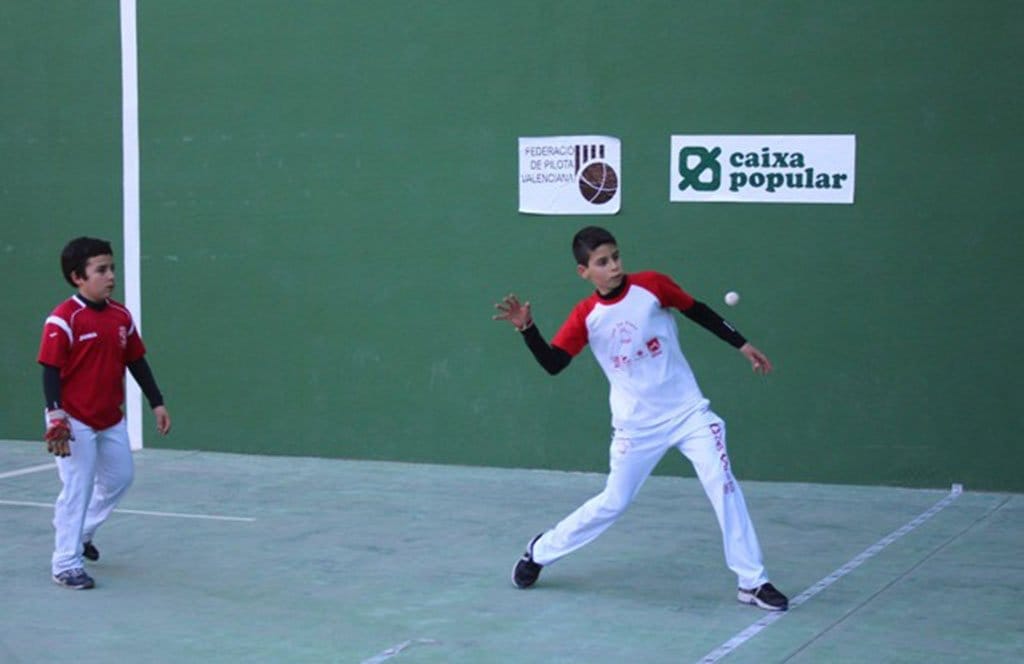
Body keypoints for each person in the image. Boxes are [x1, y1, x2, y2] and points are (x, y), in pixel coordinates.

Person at [493, 226, 788, 611]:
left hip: (688, 413)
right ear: (584, 272)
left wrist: (742, 344)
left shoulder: (652, 285)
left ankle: (752, 581)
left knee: (723, 483)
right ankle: (539, 551)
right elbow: (553, 363)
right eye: (602, 262)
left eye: (615, 257)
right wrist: (528, 330)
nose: (614, 266)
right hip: (636, 427)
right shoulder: (586, 316)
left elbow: (698, 311)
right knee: (613, 502)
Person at [37, 237, 171, 590]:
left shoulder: (120, 316)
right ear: (77, 277)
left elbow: (136, 361)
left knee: (120, 478)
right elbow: (50, 369)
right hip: (72, 419)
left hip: (109, 417)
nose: (111, 276)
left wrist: (156, 402)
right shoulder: (63, 319)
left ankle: (80, 533)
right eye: (101, 270)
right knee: (77, 487)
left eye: (111, 268)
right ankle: (65, 564)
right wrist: (56, 414)